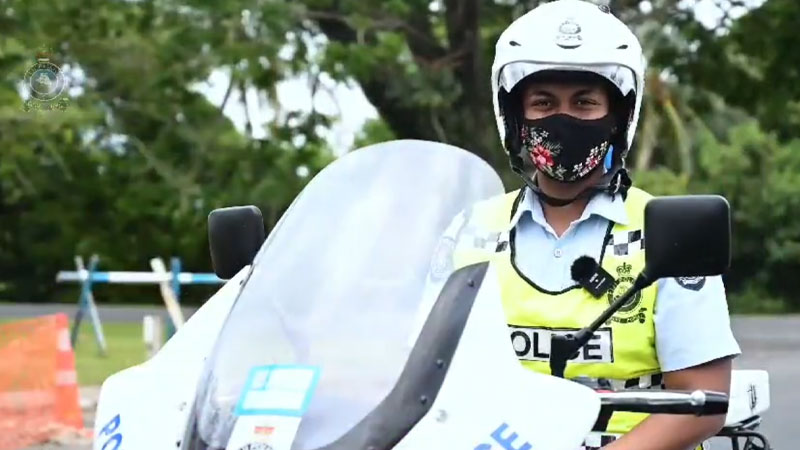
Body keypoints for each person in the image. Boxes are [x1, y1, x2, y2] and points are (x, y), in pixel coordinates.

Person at [411, 1, 741, 449]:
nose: (562, 119)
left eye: (584, 103)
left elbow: (705, 401)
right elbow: (423, 378)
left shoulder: (664, 230)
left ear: (617, 117)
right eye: (543, 103)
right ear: (516, 119)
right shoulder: (471, 230)